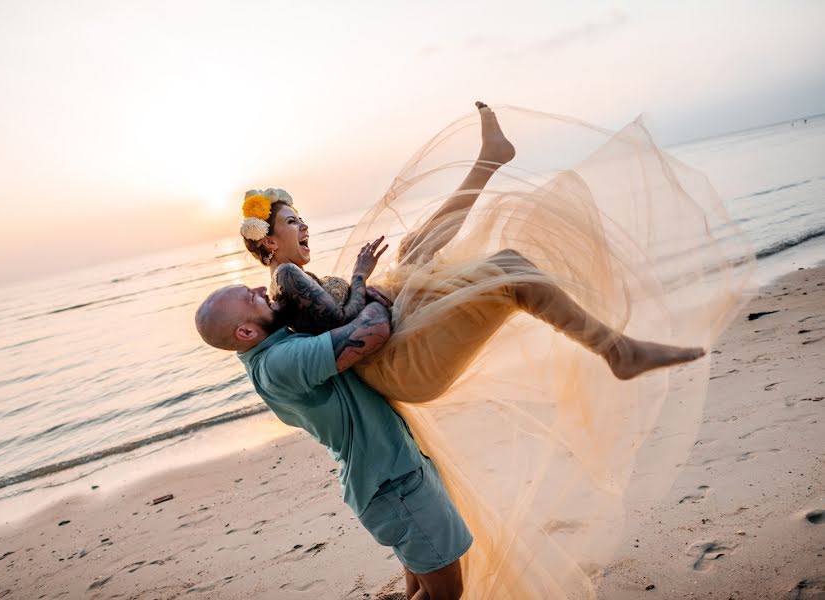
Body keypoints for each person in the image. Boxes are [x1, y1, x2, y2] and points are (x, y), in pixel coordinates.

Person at [220, 104, 756, 597]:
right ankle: (617, 351)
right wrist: (364, 278)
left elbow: (338, 319)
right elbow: (345, 324)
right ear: (268, 240)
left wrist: (373, 286)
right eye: (292, 221)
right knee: (506, 269)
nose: (303, 225)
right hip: (392, 363)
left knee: (415, 249)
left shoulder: (290, 279)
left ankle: (489, 160)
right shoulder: (286, 274)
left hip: (384, 359)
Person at [195, 285, 469, 600]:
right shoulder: (280, 361)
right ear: (245, 331)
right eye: (251, 297)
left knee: (422, 584)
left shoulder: (274, 351)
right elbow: (373, 331)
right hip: (394, 485)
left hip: (388, 479)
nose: (260, 289)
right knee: (446, 593)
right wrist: (370, 293)